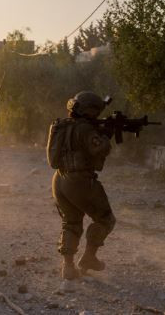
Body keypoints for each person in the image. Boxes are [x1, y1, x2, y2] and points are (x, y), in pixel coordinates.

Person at [46, 91, 116, 280]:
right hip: (79, 181)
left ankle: (67, 267)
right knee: (105, 219)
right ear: (89, 111)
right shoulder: (85, 129)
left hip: (59, 179)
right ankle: (89, 257)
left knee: (71, 221)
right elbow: (100, 148)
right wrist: (107, 135)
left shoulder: (63, 126)